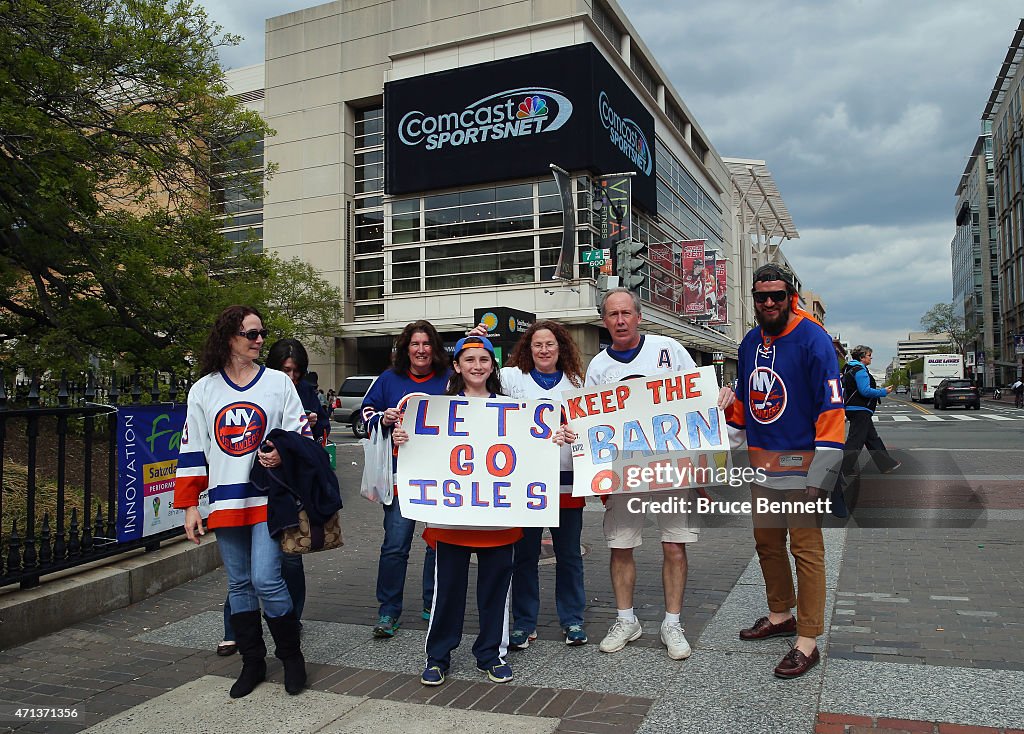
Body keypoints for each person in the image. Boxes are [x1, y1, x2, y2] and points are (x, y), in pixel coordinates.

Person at [580, 288, 733, 661]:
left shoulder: (670, 350)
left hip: (672, 467)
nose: (620, 321)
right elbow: (591, 425)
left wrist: (719, 401)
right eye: (612, 315)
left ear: (638, 316)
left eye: (626, 313)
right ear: (604, 321)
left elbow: (697, 406)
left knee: (674, 545)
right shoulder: (599, 367)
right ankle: (625, 619)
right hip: (623, 470)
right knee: (620, 546)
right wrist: (596, 474)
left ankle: (672, 623)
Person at [175, 305, 312, 697]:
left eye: (261, 333)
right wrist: (189, 506)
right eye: (251, 334)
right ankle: (252, 662)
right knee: (239, 584)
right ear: (230, 338)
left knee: (267, 579)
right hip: (224, 502)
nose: (259, 340)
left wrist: (282, 453)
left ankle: (291, 656)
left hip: (267, 498)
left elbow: (299, 435)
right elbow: (192, 449)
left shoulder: (277, 383)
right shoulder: (203, 389)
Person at [725, 263, 845, 679]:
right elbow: (743, 402)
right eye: (762, 296)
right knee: (768, 545)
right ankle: (781, 616)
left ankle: (807, 640)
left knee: (806, 552)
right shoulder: (748, 344)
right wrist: (721, 447)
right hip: (763, 469)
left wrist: (821, 478)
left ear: (790, 295)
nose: (770, 302)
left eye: (777, 295)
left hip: (802, 469)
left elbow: (832, 409)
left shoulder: (813, 339)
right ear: (754, 300)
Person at [393, 336, 522, 686]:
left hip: (498, 520)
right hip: (451, 520)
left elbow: (527, 456)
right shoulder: (437, 409)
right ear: (457, 366)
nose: (477, 366)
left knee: (495, 591)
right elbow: (420, 456)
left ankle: (491, 654)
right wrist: (404, 441)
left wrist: (553, 439)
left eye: (484, 359)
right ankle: (438, 657)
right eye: (470, 360)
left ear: (492, 365)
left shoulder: (514, 409)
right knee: (447, 591)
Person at [217, 338, 325, 656]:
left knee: (285, 564)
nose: (291, 376)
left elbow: (314, 435)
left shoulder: (302, 391)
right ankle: (235, 629)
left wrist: (311, 426)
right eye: (285, 369)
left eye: (296, 371)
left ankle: (290, 624)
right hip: (247, 486)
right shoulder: (256, 384)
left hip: (288, 488)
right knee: (244, 571)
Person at [498, 320, 589, 649]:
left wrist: (575, 432)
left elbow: (593, 426)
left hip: (566, 478)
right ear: (528, 348)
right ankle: (524, 622)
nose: (544, 350)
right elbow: (473, 385)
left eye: (550, 344)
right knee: (524, 555)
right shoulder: (511, 379)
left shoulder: (577, 382)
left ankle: (572, 619)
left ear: (560, 347)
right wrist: (473, 340)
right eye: (538, 344)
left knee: (569, 554)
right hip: (527, 480)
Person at [361, 320, 450, 638]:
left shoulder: (448, 379)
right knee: (395, 545)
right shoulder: (389, 379)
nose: (421, 350)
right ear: (405, 348)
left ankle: (433, 602)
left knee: (437, 543)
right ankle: (388, 611)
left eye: (427, 344)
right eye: (415, 344)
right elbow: (364, 413)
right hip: (400, 475)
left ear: (435, 348)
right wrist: (383, 420)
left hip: (441, 476)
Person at [839, 345, 899, 485]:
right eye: (869, 355)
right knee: (856, 440)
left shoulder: (848, 369)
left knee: (872, 438)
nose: (871, 357)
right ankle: (842, 468)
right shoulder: (860, 371)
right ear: (862, 357)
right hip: (860, 409)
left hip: (854, 408)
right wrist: (883, 392)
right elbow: (865, 391)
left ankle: (886, 464)